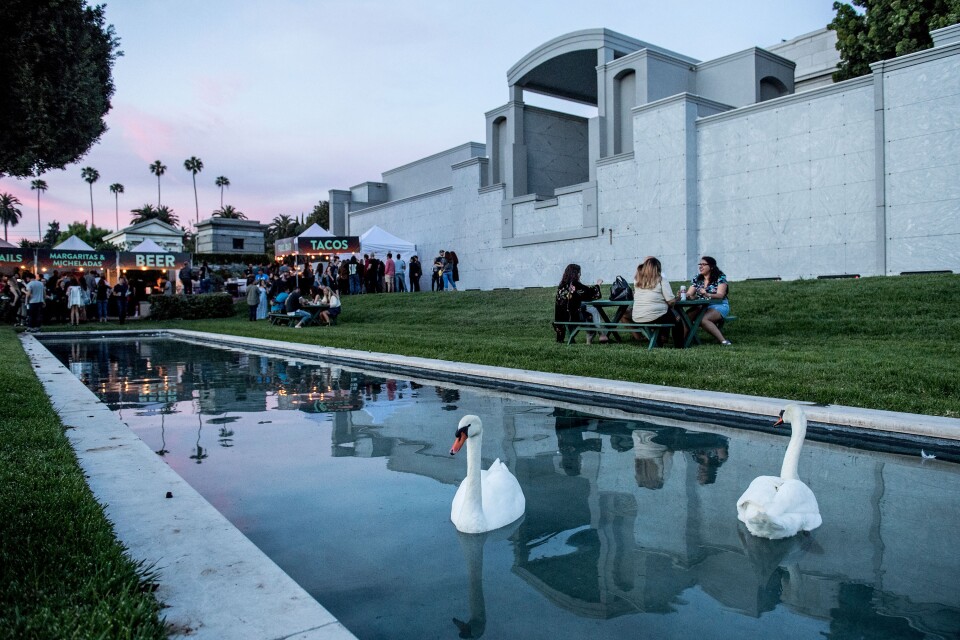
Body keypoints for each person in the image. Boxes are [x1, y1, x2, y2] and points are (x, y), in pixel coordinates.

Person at [632, 256, 684, 348]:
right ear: (658, 268)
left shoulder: (637, 280)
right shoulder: (661, 280)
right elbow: (671, 301)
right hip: (654, 316)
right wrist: (677, 298)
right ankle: (679, 346)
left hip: (637, 316)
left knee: (664, 314)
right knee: (677, 319)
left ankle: (660, 341)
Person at [553, 263, 605, 344]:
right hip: (572, 317)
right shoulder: (575, 284)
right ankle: (601, 334)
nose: (580, 274)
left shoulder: (562, 286)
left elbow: (581, 294)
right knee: (593, 310)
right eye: (579, 272)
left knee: (587, 310)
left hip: (561, 318)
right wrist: (598, 284)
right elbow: (590, 293)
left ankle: (596, 334)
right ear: (575, 273)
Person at [689, 255, 732, 346]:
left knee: (703, 319)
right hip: (701, 305)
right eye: (700, 264)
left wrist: (707, 294)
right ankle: (683, 341)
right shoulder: (697, 278)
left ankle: (723, 341)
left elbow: (720, 295)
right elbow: (690, 293)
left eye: (704, 264)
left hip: (718, 305)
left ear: (711, 266)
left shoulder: (720, 277)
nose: (701, 266)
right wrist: (684, 294)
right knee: (686, 317)